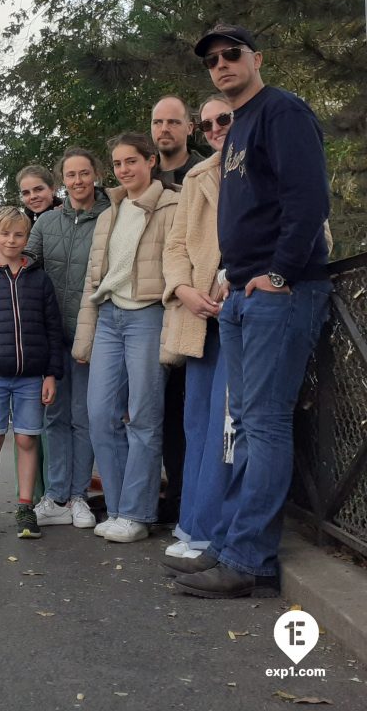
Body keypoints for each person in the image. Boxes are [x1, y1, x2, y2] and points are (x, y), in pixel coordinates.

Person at [171, 24, 331, 599]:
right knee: (244, 426)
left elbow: (309, 199)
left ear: (255, 58)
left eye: (231, 54)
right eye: (212, 60)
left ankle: (249, 558)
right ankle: (230, 542)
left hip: (280, 294)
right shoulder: (238, 131)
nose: (221, 64)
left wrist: (282, 272)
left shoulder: (282, 113)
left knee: (262, 423)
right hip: (240, 294)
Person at [73, 133, 180, 543]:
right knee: (100, 415)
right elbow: (93, 280)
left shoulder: (172, 205)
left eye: (131, 161)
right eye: (117, 164)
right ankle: (117, 509)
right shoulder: (108, 213)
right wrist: (85, 338)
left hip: (148, 316)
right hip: (109, 317)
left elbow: (179, 261)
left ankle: (137, 514)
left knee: (144, 418)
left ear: (150, 161)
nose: (124, 170)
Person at [159, 95, 234, 567]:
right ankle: (193, 523)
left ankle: (213, 531)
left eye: (223, 119)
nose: (215, 129)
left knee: (227, 426)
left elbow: (314, 233)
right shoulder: (198, 175)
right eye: (207, 124)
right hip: (198, 313)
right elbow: (177, 244)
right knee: (197, 422)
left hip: (243, 307)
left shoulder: (266, 164)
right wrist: (183, 288)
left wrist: (237, 275)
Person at [0, 207, 62, 539]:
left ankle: (25, 509)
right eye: (5, 233)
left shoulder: (40, 279)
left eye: (19, 234)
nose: (12, 240)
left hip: (32, 375)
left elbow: (52, 328)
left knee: (26, 439)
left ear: (27, 238)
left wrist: (51, 374)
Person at [28, 147, 110, 530]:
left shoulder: (111, 217)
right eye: (71, 175)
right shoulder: (45, 223)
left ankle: (79, 496)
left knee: (84, 417)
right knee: (54, 417)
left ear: (95, 174)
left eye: (84, 173)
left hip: (92, 333)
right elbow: (28, 260)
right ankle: (56, 495)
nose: (77, 181)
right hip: (52, 336)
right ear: (63, 181)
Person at [151, 94, 201, 525]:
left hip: (197, 307)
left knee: (195, 410)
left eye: (173, 121)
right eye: (158, 122)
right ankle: (169, 498)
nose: (164, 128)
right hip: (149, 312)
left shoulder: (204, 172)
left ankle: (191, 502)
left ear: (189, 127)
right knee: (160, 411)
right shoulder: (142, 176)